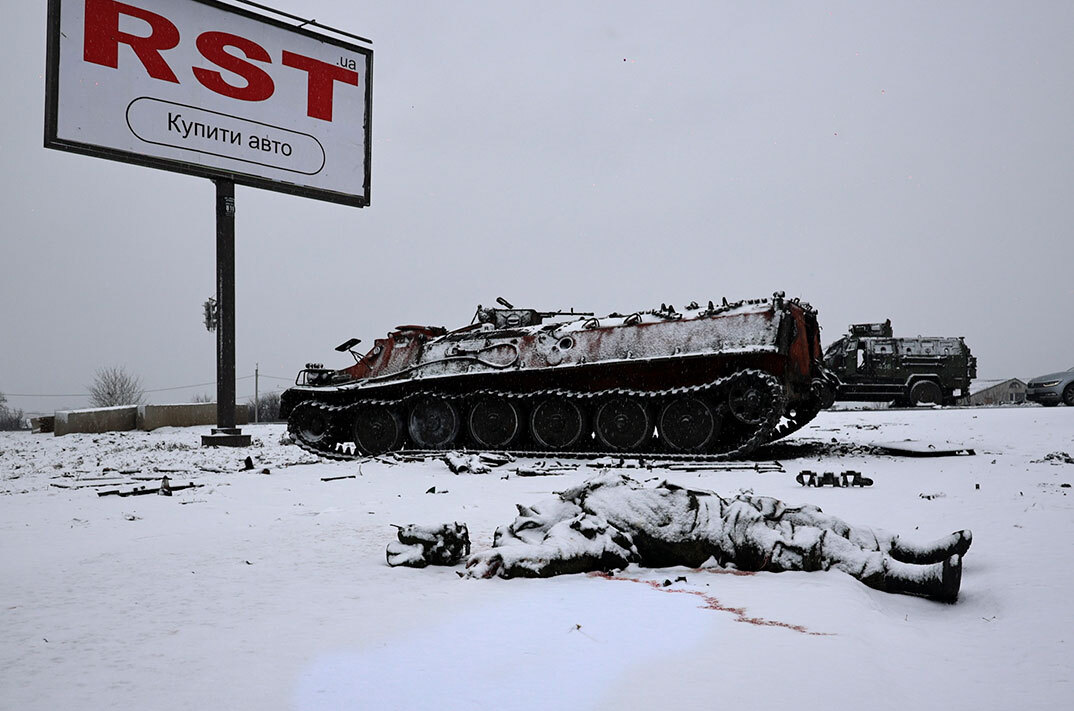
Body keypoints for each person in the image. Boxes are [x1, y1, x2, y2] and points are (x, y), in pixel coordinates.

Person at [465, 472, 971, 603]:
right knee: (807, 547)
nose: (527, 509)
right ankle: (917, 579)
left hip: (722, 506)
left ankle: (906, 546)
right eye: (524, 521)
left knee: (813, 519)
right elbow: (574, 555)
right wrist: (513, 560)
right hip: (716, 535)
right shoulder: (585, 529)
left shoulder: (593, 490)